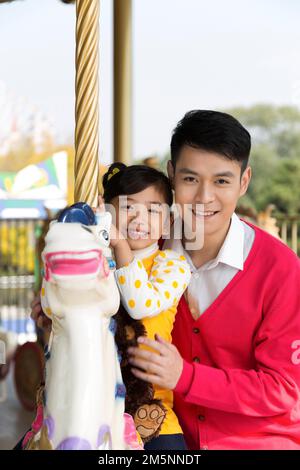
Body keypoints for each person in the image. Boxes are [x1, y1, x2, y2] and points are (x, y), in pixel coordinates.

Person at [127, 110, 300, 450]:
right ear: (172, 175)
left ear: (244, 181)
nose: (205, 197)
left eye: (221, 181)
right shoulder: (146, 250)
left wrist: (185, 377)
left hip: (259, 441)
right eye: (191, 179)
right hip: (164, 437)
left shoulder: (280, 268)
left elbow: (284, 387)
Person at [101, 163, 191, 450]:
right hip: (96, 400)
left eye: (153, 210)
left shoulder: (172, 265)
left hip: (150, 408)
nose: (141, 219)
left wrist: (121, 248)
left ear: (166, 223)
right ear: (109, 214)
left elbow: (140, 304)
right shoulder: (97, 263)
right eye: (129, 208)